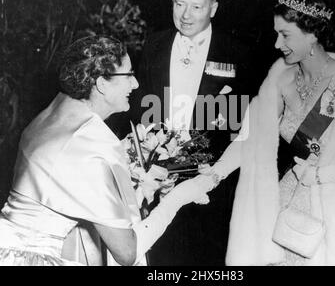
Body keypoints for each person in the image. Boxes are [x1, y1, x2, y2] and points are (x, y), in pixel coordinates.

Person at [205, 0, 335, 265]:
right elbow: (251, 138)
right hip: (293, 197)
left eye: (286, 35)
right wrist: (215, 173)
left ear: (312, 35)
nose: (278, 43)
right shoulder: (280, 78)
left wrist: (320, 175)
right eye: (276, 33)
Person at [0, 35, 217, 266]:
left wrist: (139, 189)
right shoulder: (94, 140)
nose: (135, 84)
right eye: (129, 75)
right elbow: (127, 252)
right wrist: (179, 197)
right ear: (102, 84)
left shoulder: (46, 117)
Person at [114, 0, 255, 265]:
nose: (186, 15)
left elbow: (241, 128)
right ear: (171, 1)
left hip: (209, 185)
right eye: (180, 4)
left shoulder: (237, 54)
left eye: (196, 7)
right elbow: (141, 110)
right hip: (158, 181)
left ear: (213, 8)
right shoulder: (154, 46)